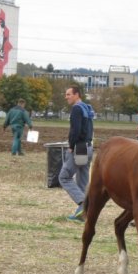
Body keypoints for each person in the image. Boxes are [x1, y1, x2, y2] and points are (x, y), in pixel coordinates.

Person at [59, 85, 95, 222]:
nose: (66, 97)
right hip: (88, 147)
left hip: (79, 148)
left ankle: (84, 204)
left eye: (68, 94)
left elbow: (76, 130)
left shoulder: (76, 109)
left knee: (64, 177)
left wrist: (71, 146)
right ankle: (83, 215)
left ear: (77, 95)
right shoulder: (87, 107)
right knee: (83, 182)